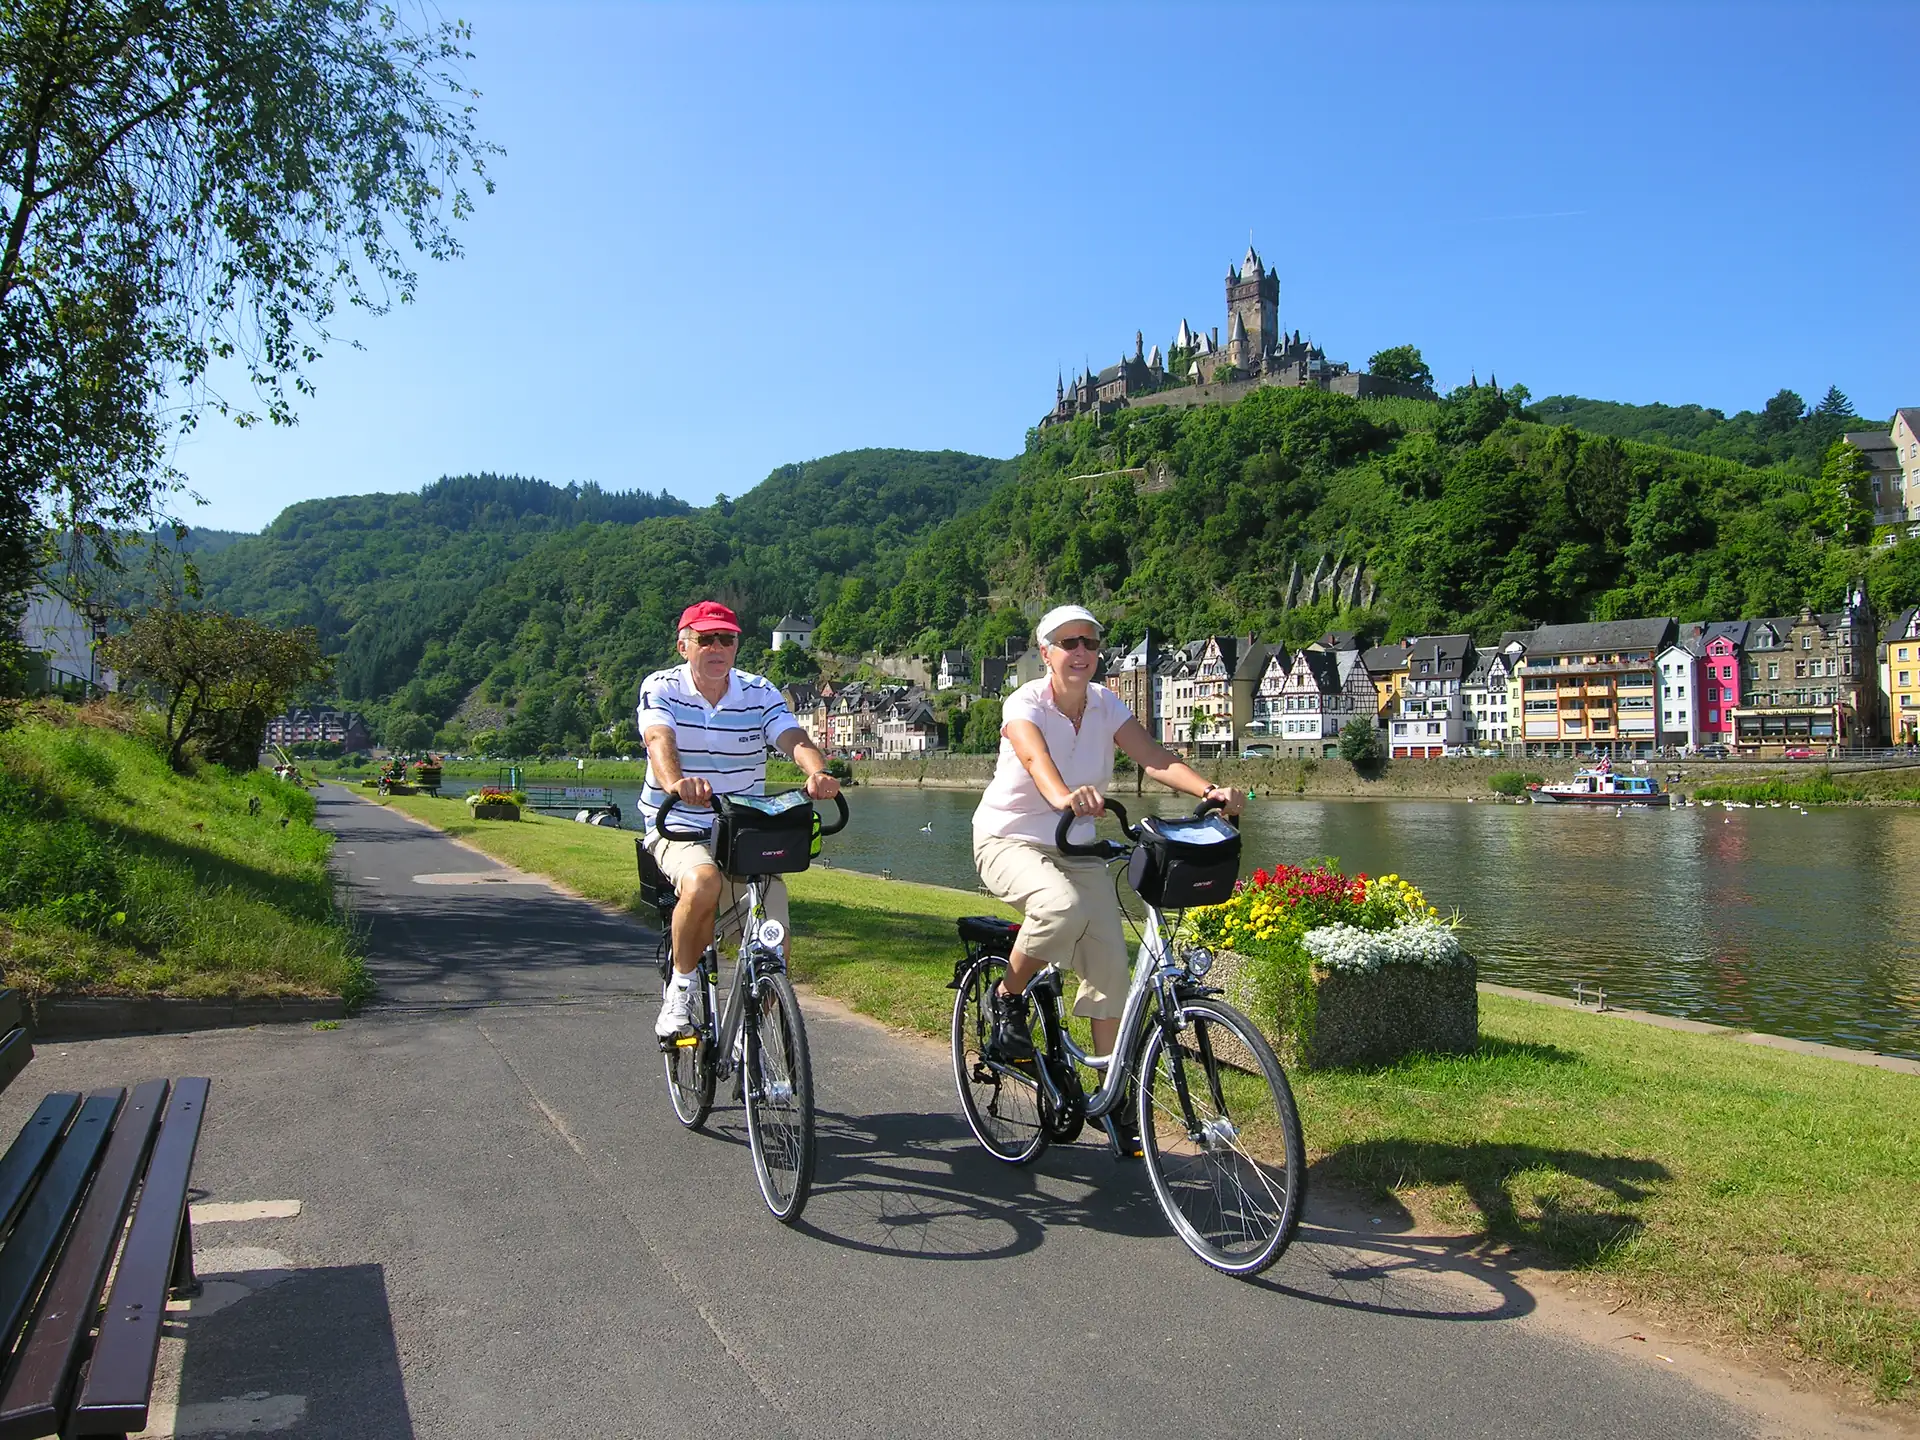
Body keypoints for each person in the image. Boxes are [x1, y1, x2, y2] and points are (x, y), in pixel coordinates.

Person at [971, 605, 1244, 1138]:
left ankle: (1111, 1090)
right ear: (1046, 652)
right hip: (1008, 839)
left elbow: (1153, 757)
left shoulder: (1105, 704)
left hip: (1078, 847)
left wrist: (1208, 790)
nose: (1081, 653)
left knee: (1110, 964)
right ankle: (1006, 999)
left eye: (1090, 644)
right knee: (1059, 906)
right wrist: (1064, 797)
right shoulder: (1024, 701)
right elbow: (1034, 757)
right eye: (1068, 643)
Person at [639, 601, 841, 1039]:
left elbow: (792, 736)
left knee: (776, 938)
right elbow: (658, 737)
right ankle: (681, 988)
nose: (717, 647)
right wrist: (676, 783)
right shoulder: (662, 687)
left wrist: (817, 771)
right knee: (703, 882)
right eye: (705, 638)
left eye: (726, 639)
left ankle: (754, 1039)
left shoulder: (759, 691)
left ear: (736, 645)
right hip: (677, 824)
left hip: (740, 829)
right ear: (683, 645)